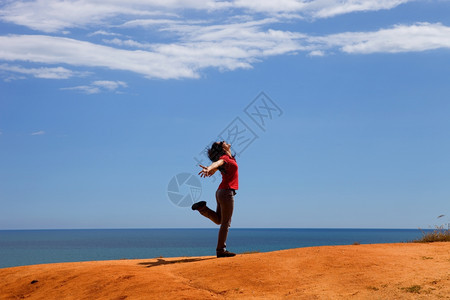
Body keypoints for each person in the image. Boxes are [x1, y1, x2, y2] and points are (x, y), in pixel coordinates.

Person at [192, 141, 238, 258]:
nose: (225, 141)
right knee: (226, 222)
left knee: (219, 220)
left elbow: (217, 167)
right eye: (223, 142)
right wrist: (209, 168)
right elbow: (217, 163)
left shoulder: (230, 159)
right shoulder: (224, 158)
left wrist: (211, 170)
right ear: (222, 148)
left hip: (221, 192)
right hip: (226, 192)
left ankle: (203, 209)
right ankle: (220, 250)